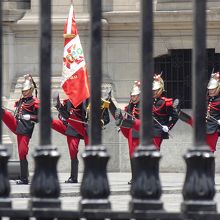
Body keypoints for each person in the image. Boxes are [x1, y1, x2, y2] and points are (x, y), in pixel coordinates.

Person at [114, 75, 179, 184]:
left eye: (155, 90)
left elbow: (175, 116)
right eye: (152, 90)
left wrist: (168, 126)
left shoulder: (165, 102)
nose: (153, 92)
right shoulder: (147, 101)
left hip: (158, 130)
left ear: (160, 90)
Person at [53, 93, 110, 183]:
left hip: (87, 129)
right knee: (72, 151)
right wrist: (62, 114)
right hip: (73, 127)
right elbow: (64, 116)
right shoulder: (68, 101)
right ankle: (73, 177)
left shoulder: (96, 100)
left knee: (90, 152)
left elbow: (106, 118)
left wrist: (100, 122)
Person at [1, 74, 39, 184]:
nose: (23, 92)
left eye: (26, 90)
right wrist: (27, 80)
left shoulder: (34, 102)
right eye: (23, 91)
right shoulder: (22, 100)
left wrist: (30, 117)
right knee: (4, 113)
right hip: (17, 124)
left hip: (25, 129)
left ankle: (24, 178)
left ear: (30, 90)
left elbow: (40, 117)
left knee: (22, 152)